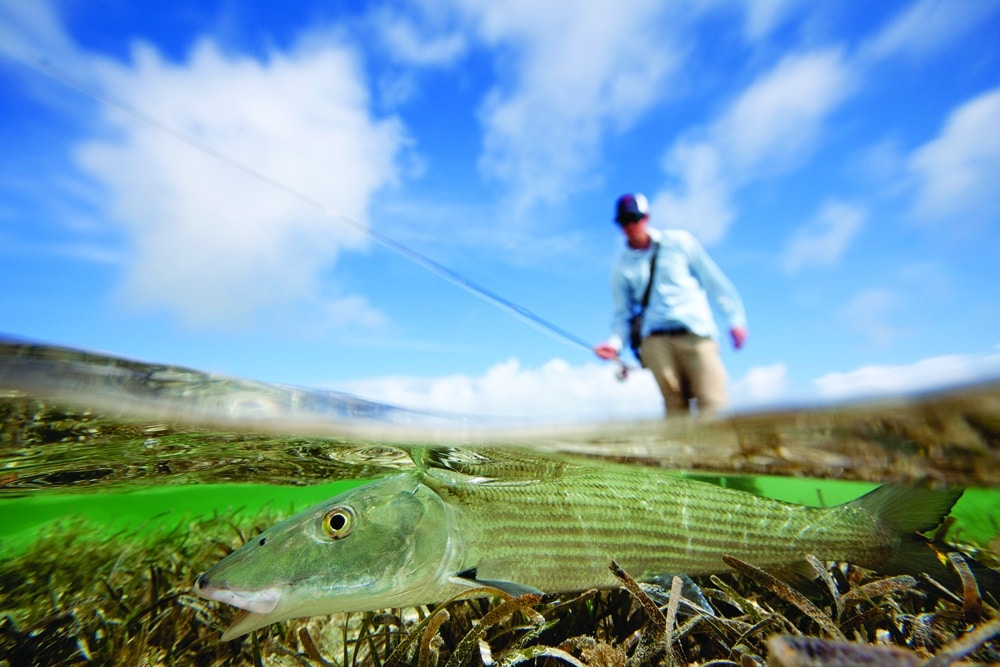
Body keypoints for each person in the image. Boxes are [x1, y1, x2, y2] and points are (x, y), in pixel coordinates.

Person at [594, 193, 747, 417]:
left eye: (634, 218)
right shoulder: (620, 269)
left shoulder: (680, 242)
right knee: (675, 408)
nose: (630, 225)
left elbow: (712, 279)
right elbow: (622, 315)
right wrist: (615, 345)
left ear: (646, 217)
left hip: (696, 331)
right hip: (655, 341)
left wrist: (735, 318)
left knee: (714, 404)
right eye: (624, 221)